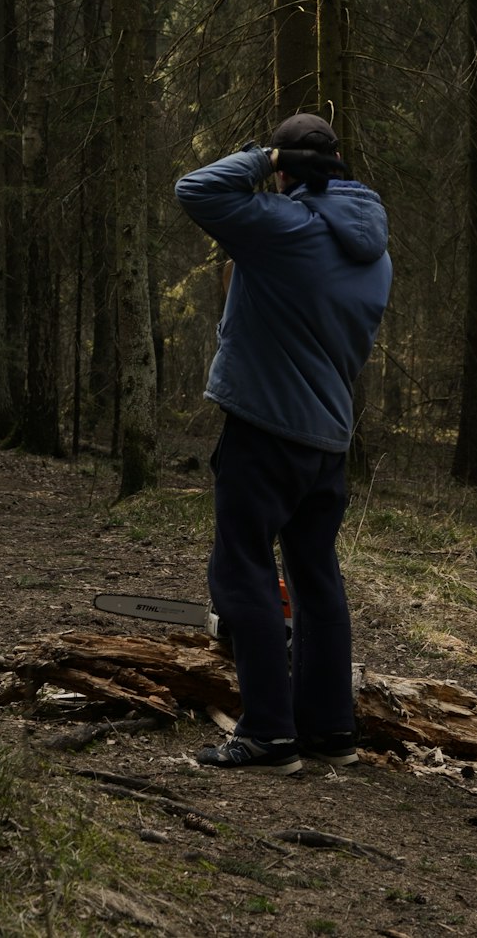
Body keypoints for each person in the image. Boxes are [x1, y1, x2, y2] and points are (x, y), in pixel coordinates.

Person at [174, 113, 392, 774]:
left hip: (266, 431)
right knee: (317, 579)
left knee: (243, 572)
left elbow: (196, 190)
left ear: (290, 168)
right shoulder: (374, 253)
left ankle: (268, 733)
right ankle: (330, 731)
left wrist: (262, 156)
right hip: (327, 440)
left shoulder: (286, 231)